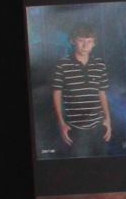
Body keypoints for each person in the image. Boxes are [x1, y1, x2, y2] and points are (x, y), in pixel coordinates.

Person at [48, 24, 113, 157]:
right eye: (81, 41)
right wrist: (61, 123)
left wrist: (108, 119)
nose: (85, 45)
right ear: (72, 41)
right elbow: (56, 94)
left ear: (94, 44)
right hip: (76, 129)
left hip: (99, 126)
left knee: (104, 166)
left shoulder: (99, 64)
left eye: (89, 41)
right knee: (81, 169)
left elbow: (102, 93)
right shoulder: (63, 64)